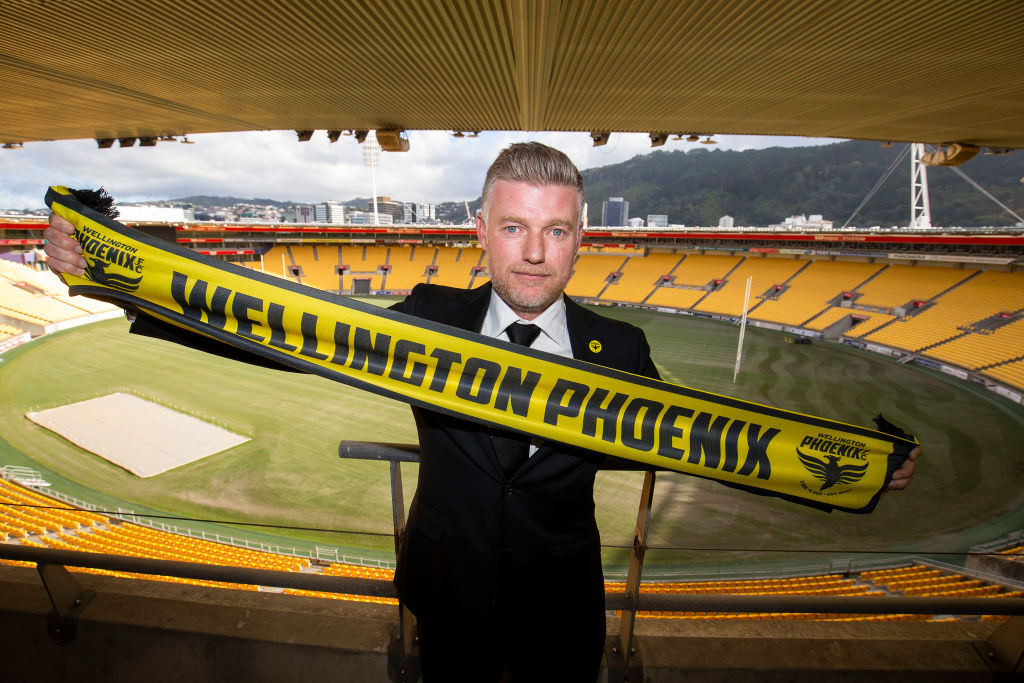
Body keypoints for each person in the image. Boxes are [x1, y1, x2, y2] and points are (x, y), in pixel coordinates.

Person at [44, 142, 919, 681]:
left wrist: (864, 469)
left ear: (582, 235)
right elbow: (271, 331)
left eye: (558, 230)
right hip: (445, 594)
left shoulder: (624, 354)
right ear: (480, 228)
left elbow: (724, 448)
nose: (535, 254)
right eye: (514, 228)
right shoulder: (431, 319)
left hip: (562, 613)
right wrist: (116, 269)